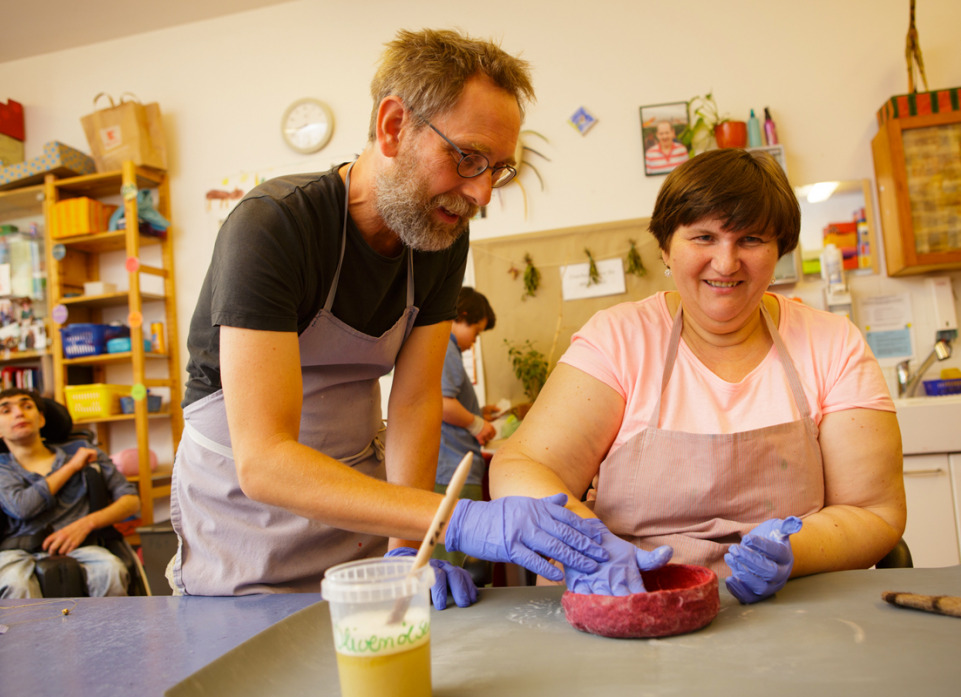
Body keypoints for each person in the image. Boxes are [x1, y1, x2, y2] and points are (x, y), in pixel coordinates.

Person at [170, 28, 608, 603]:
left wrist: (408, 544)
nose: (482, 195)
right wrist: (459, 521)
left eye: (497, 169)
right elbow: (267, 461)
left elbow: (416, 400)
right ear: (394, 126)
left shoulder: (441, 239)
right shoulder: (273, 226)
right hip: (243, 520)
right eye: (467, 157)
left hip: (360, 514)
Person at [488, 148, 906, 603]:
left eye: (751, 239)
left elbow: (874, 510)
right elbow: (522, 467)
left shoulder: (833, 343)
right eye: (704, 237)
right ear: (665, 248)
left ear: (779, 250)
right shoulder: (619, 339)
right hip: (628, 601)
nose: (726, 263)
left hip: (789, 609)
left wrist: (794, 552)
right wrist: (595, 547)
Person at [0, 388, 139, 598]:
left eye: (27, 406)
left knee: (111, 570)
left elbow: (131, 501)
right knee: (16, 584)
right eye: (6, 411)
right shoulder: (3, 468)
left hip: (83, 547)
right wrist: (71, 467)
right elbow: (22, 507)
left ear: (41, 419)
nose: (19, 413)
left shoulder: (84, 451)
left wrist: (86, 523)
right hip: (17, 551)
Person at [434, 287, 500, 568]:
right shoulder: (444, 348)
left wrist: (478, 412)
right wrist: (476, 424)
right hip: (452, 468)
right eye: (476, 332)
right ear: (461, 316)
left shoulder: (447, 351)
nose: (474, 342)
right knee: (456, 561)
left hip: (454, 464)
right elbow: (443, 405)